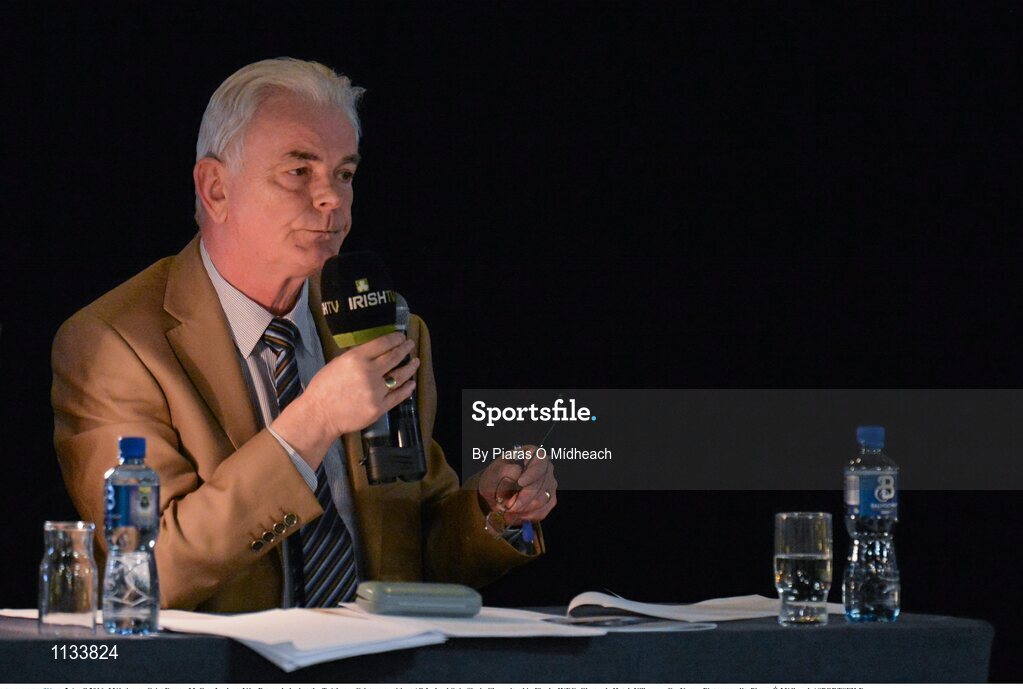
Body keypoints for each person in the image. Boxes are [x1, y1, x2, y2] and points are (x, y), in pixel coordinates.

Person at [51, 57, 558, 612]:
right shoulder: (115, 345)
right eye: (300, 172)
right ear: (216, 189)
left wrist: (493, 509)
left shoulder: (385, 327)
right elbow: (149, 572)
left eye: (344, 173)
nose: (333, 200)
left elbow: (412, 552)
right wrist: (311, 425)